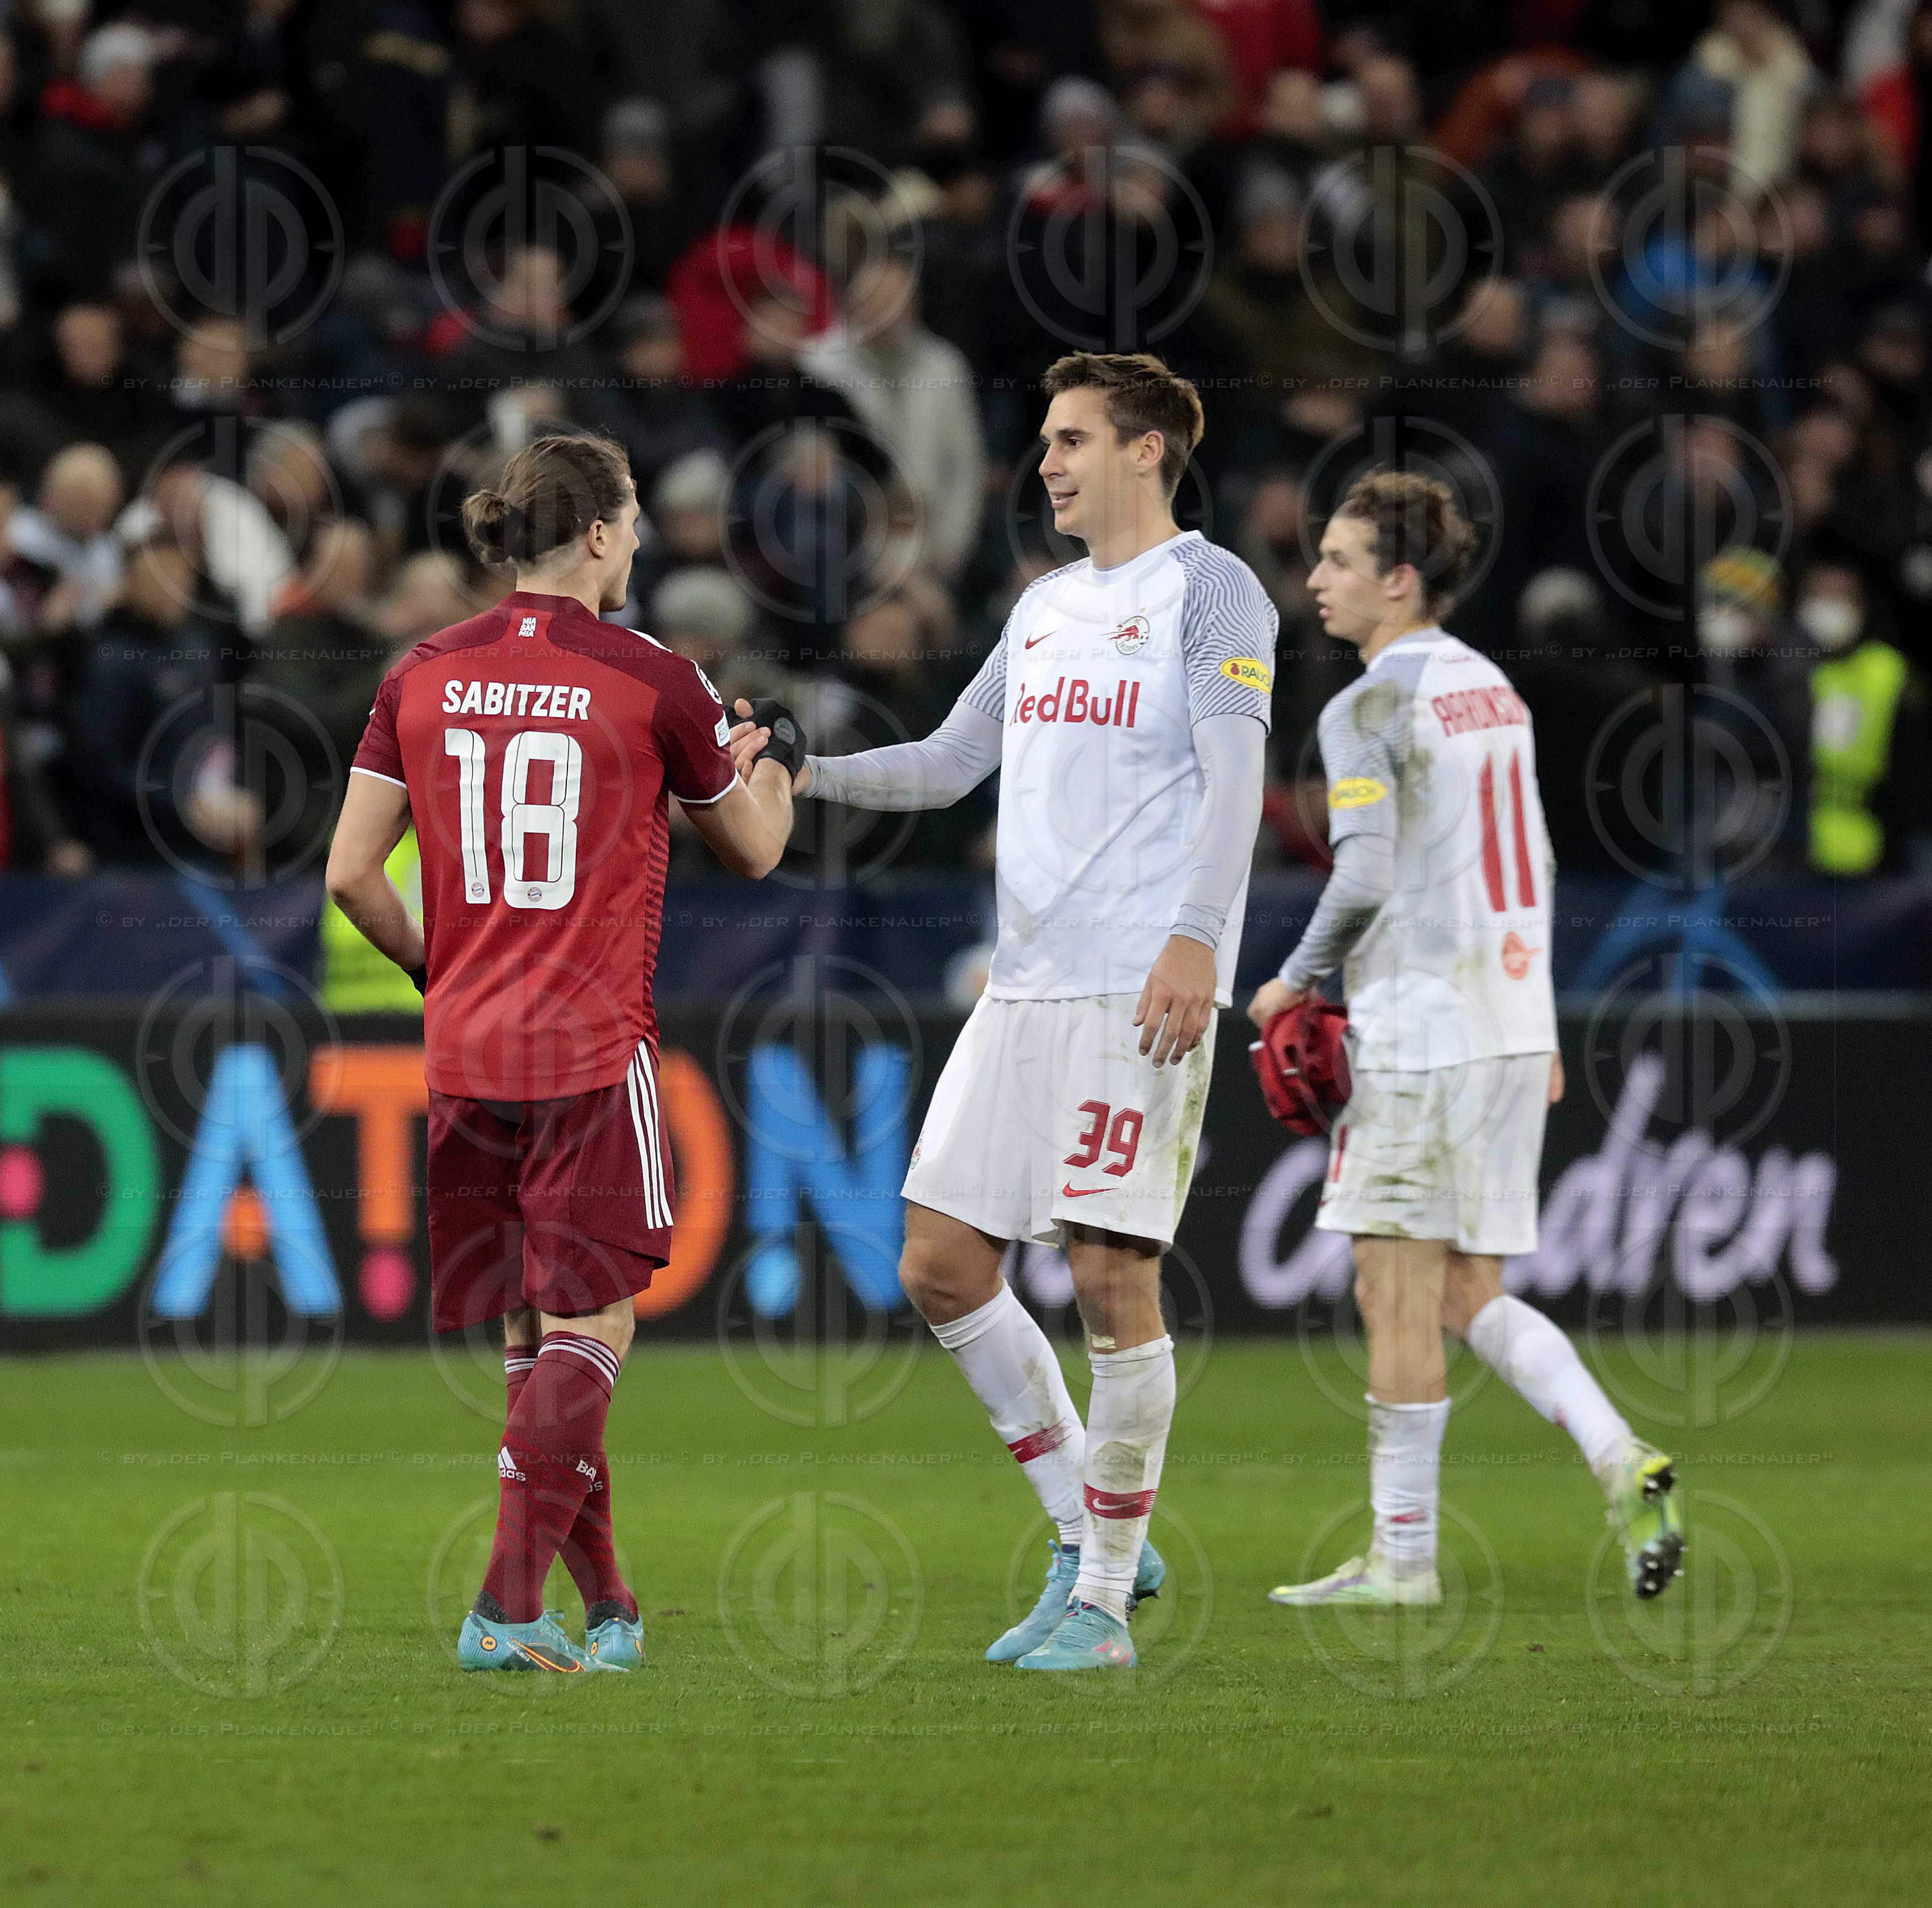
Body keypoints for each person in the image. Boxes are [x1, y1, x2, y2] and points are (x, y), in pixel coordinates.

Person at [730, 352, 1277, 1671]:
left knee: (1106, 1271)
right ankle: (1095, 1533)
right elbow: (952, 763)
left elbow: (1238, 776)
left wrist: (1197, 942)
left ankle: (1098, 1609)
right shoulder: (1041, 608)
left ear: (1147, 450)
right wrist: (812, 770)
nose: (1046, 460)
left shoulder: (1211, 591)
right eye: (1045, 439)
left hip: (1133, 979)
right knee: (939, 1263)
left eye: (1073, 437)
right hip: (1023, 983)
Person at [325, 432, 800, 1674]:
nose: (639, 538)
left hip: (463, 1052)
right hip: (589, 1046)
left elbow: (349, 875)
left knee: (536, 1340)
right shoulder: (653, 675)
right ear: (596, 533)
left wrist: (444, 973)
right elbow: (751, 849)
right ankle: (503, 1608)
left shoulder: (422, 672)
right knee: (595, 1327)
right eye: (633, 518)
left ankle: (612, 1605)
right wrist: (777, 773)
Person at [1248, 471, 1684, 1610]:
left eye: (1339, 561)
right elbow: (1530, 863)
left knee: (1392, 1291)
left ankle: (1401, 1561)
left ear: (1399, 579)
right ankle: (1615, 1454)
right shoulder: (1490, 687)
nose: (1317, 581)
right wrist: (1533, 1021)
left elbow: (1367, 867)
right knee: (1464, 1286)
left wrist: (1290, 982)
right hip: (1501, 1022)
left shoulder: (1366, 705)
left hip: (1424, 1032)